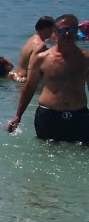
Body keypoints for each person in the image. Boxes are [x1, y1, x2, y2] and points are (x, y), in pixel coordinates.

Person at [8, 14, 88, 143]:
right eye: (63, 30)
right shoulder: (42, 58)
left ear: (76, 32)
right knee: (47, 156)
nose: (67, 33)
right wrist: (18, 116)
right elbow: (29, 88)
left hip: (79, 116)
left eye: (72, 30)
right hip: (48, 116)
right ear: (55, 33)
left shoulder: (85, 59)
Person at [13, 16, 57, 82]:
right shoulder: (40, 45)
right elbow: (32, 68)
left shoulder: (31, 40)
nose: (53, 32)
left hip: (19, 78)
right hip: (26, 81)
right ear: (46, 29)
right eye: (52, 29)